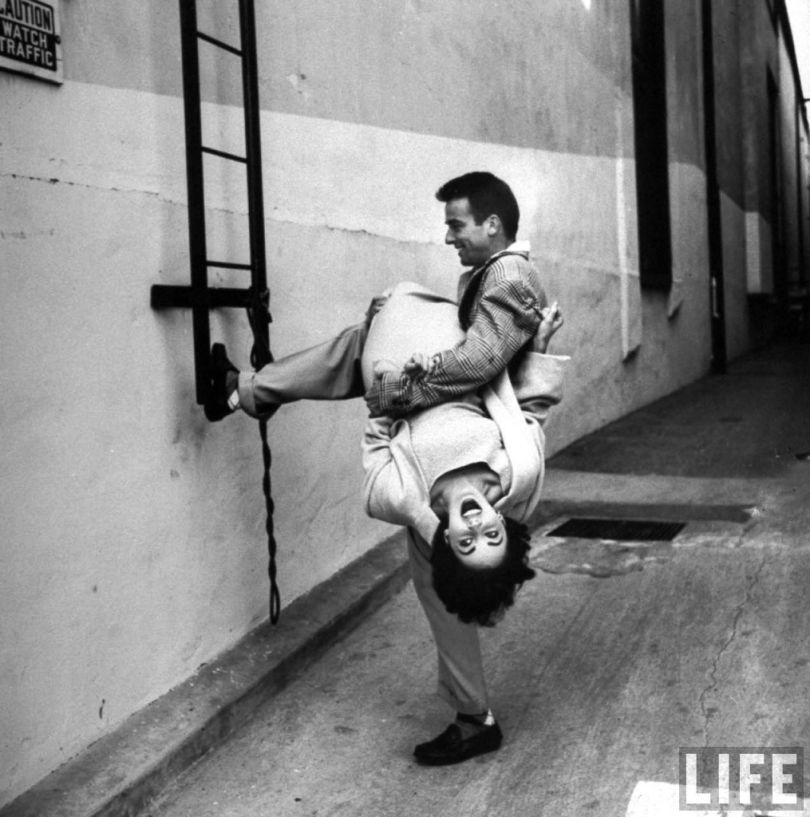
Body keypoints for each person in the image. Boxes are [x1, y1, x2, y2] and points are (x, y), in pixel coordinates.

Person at [205, 281, 568, 766]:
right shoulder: (516, 475)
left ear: (449, 537)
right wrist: (539, 349)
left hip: (409, 415)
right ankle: (243, 391)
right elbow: (531, 412)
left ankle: (242, 392)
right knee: (360, 342)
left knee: (360, 348)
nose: (478, 523)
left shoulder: (408, 500)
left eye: (467, 538)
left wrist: (387, 390)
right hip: (453, 369)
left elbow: (379, 447)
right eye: (491, 532)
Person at [365, 171, 548, 418]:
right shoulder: (492, 271)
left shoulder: (509, 274)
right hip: (479, 421)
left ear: (492, 225)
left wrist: (399, 391)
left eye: (456, 226)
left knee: (351, 348)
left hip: (492, 434)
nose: (449, 238)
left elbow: (479, 359)